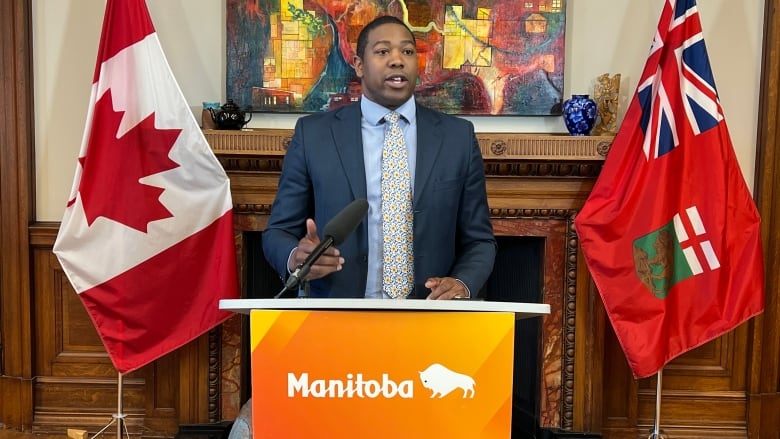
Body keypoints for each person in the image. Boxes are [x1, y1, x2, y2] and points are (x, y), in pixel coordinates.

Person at [262, 15, 496, 300]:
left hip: (429, 319)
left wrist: (463, 283)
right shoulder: (314, 135)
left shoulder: (457, 137)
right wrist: (296, 258)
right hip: (335, 317)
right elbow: (277, 232)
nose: (397, 60)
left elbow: (480, 241)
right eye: (383, 51)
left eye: (407, 52)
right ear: (359, 65)